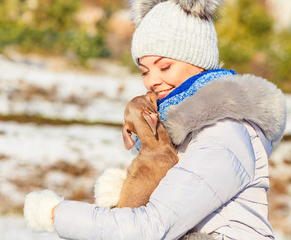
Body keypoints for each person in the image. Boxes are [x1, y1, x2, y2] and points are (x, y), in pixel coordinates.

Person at [23, 0, 287, 239]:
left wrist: (56, 214)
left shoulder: (223, 134)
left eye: (164, 67)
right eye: (144, 71)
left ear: (200, 61)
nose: (152, 80)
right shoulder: (184, 133)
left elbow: (150, 228)